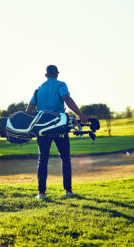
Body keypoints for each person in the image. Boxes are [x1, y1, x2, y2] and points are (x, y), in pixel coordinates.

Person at [26, 65, 88, 200]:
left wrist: (26, 122)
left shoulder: (39, 89)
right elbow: (66, 98)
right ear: (56, 74)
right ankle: (68, 191)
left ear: (46, 75)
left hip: (43, 128)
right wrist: (80, 114)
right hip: (59, 126)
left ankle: (41, 194)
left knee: (42, 160)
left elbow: (29, 108)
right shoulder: (61, 84)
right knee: (65, 158)